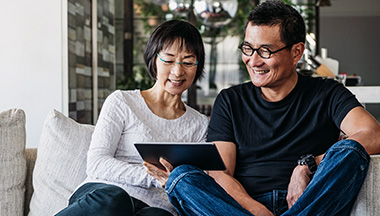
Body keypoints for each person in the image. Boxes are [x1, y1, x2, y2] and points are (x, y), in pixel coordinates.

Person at [144, 1, 380, 216]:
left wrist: (307, 165)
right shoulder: (230, 100)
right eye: (248, 48)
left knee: (350, 149)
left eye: (265, 51)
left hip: (310, 201)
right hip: (243, 207)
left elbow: (373, 134)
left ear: (296, 52)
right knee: (181, 176)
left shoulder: (327, 93)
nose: (254, 61)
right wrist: (257, 212)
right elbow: (221, 173)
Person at [55, 19, 208, 216]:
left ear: (197, 66)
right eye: (169, 60)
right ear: (154, 59)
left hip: (155, 206)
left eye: (187, 62)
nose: (177, 71)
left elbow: (193, 180)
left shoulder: (200, 124)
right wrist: (155, 177)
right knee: (115, 200)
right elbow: (97, 162)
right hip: (104, 196)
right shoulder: (122, 102)